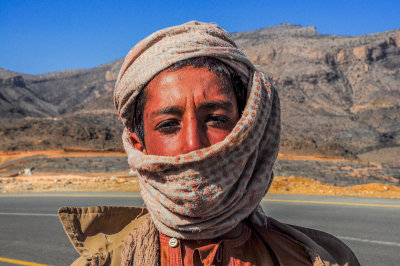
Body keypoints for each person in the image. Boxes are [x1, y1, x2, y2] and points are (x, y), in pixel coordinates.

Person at [58, 21, 360, 266]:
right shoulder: (108, 262)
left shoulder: (321, 261)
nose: (194, 144)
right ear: (139, 146)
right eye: (168, 125)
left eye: (216, 119)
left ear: (248, 131)